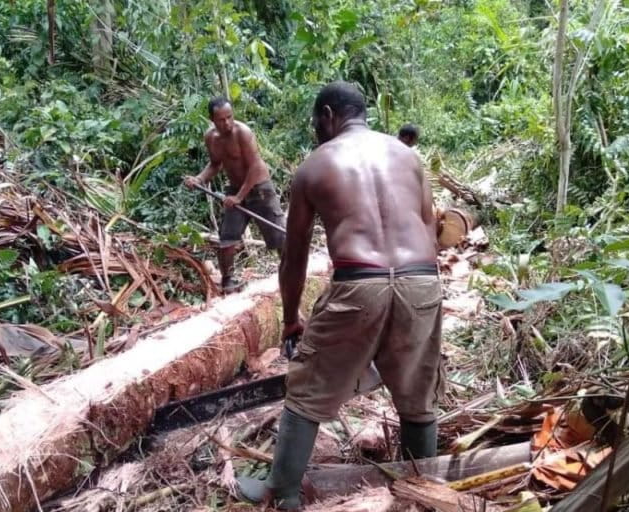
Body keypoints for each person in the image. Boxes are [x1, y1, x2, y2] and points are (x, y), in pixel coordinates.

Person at [237, 82, 444, 509]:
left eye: (317, 122)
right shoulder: (407, 156)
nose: (317, 130)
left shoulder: (316, 165)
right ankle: (422, 490)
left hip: (359, 281)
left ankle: (284, 493)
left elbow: (293, 257)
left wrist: (292, 319)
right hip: (422, 278)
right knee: (418, 392)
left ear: (328, 115)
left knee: (308, 388)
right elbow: (429, 230)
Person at [184, 97, 285, 293]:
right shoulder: (211, 138)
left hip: (259, 189)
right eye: (221, 120)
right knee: (227, 237)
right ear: (212, 119)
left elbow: (256, 166)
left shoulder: (243, 133)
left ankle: (291, 271)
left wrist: (239, 197)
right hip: (235, 190)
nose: (227, 123)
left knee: (278, 235)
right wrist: (199, 179)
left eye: (229, 117)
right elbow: (215, 165)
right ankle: (228, 281)